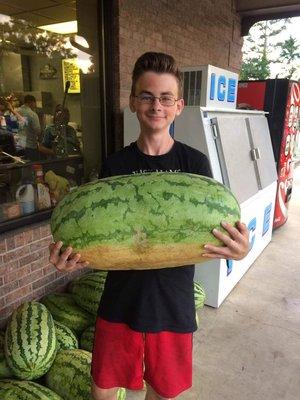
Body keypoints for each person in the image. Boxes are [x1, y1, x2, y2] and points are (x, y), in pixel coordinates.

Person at [49, 52, 249, 400]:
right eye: (147, 96)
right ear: (132, 102)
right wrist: (71, 259)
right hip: (120, 302)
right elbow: (98, 237)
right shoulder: (116, 164)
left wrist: (239, 249)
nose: (156, 105)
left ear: (179, 105)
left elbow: (216, 228)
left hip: (173, 304)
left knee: (163, 392)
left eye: (165, 98)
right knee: (104, 389)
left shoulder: (194, 164)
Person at [17, 94, 41, 160]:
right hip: (30, 146)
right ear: (31, 102)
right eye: (34, 103)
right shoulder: (32, 114)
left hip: (19, 145)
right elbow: (38, 131)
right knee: (33, 166)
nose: (35, 105)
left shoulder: (17, 111)